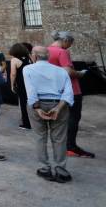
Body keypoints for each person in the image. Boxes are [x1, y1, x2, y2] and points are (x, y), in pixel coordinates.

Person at [24, 46, 74, 183]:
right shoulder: (61, 71)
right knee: (59, 138)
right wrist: (58, 108)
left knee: (40, 136)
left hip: (38, 103)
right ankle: (60, 170)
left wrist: (37, 108)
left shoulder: (28, 69)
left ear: (34, 56)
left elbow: (31, 90)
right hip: (58, 103)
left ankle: (45, 168)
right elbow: (68, 92)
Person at [48, 31, 93, 158]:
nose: (69, 47)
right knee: (73, 118)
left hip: (55, 90)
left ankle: (62, 146)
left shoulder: (46, 50)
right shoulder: (62, 52)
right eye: (70, 43)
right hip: (71, 90)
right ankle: (70, 147)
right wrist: (80, 73)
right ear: (66, 40)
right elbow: (68, 71)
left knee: (60, 119)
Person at [9, 43, 33, 130]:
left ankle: (26, 123)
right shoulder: (29, 57)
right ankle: (35, 121)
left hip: (21, 84)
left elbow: (13, 74)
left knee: (23, 103)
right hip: (31, 82)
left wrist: (12, 85)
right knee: (32, 102)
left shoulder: (14, 60)